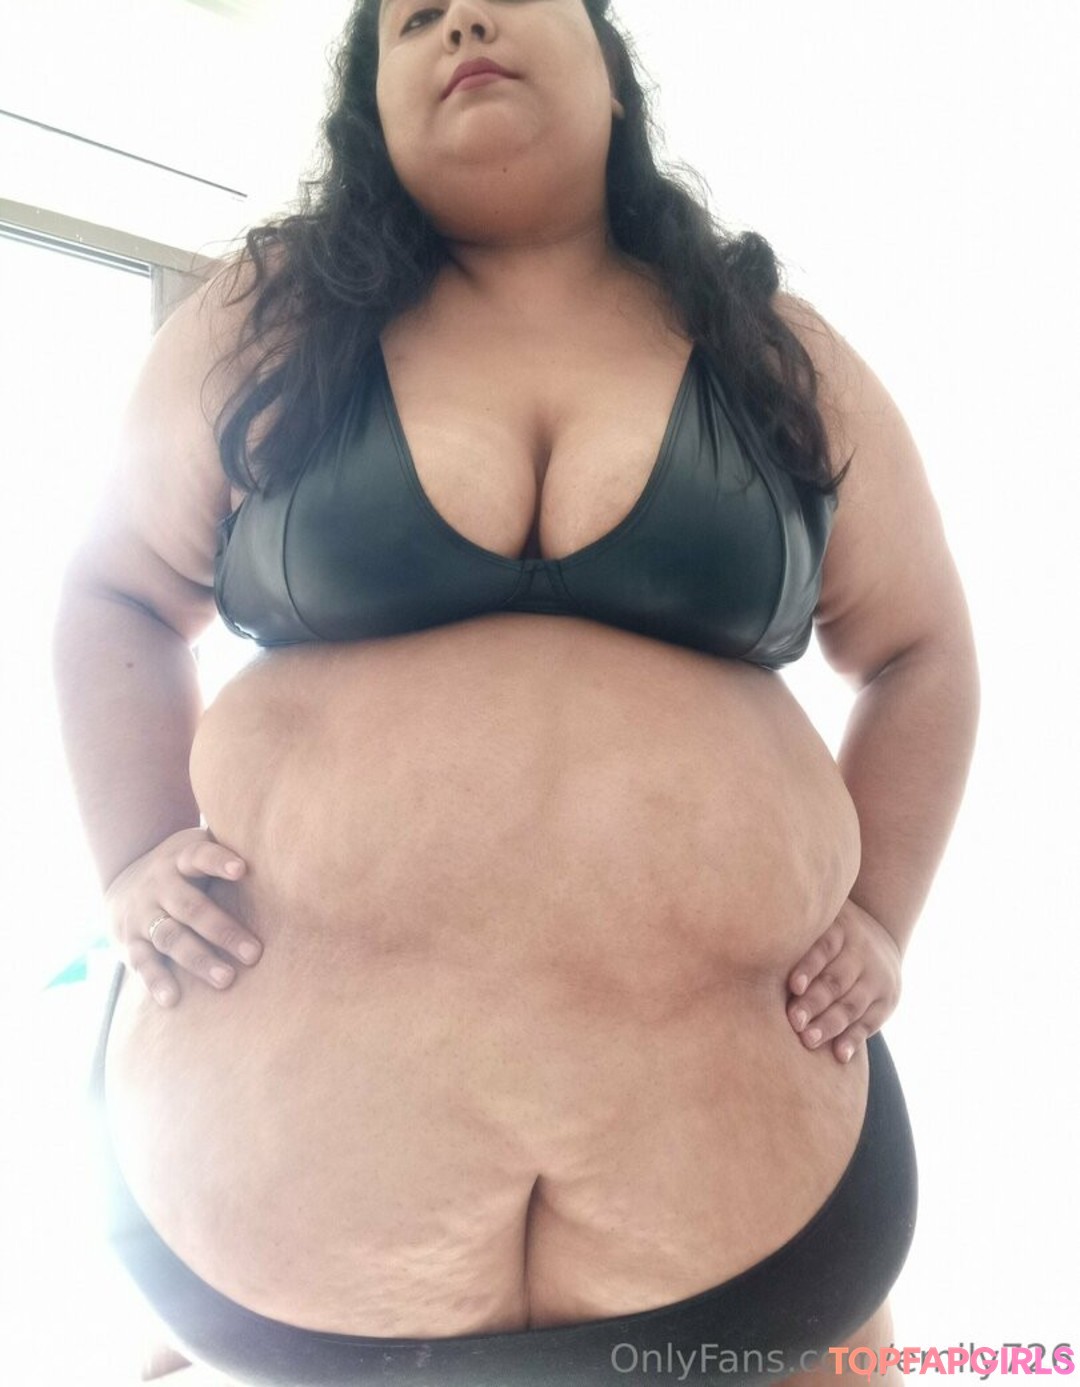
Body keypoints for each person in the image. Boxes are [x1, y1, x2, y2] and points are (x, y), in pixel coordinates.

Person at [54, 1, 979, 1383]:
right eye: (414, 20)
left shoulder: (772, 349)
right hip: (283, 1230)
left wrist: (882, 919)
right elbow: (114, 593)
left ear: (612, 68)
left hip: (755, 1240)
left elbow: (921, 652)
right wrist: (132, 855)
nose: (461, 22)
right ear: (373, 108)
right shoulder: (266, 321)